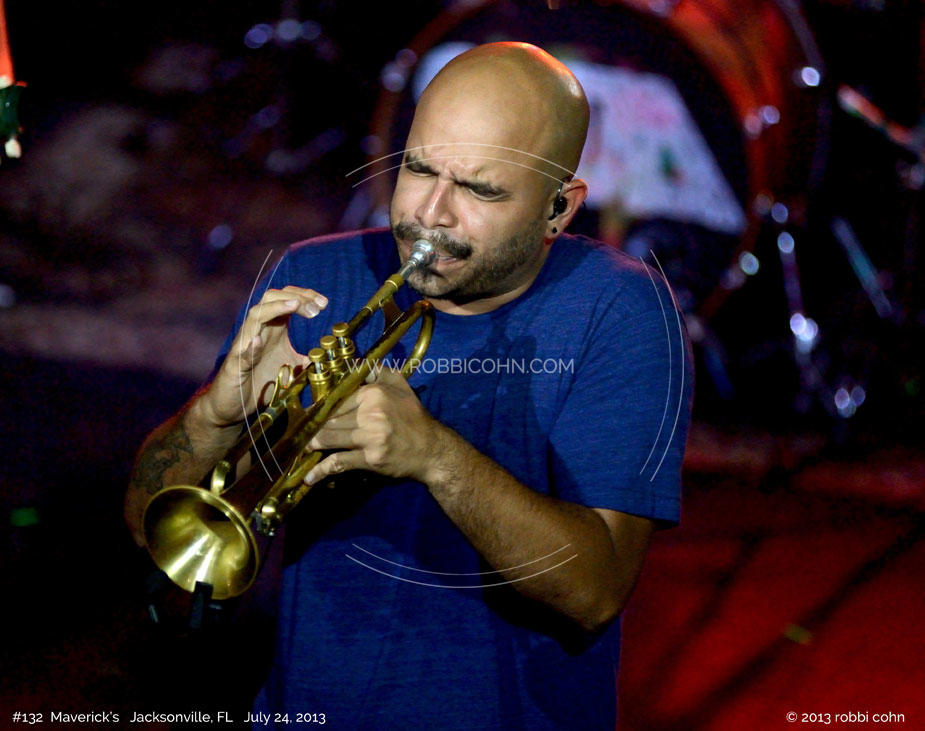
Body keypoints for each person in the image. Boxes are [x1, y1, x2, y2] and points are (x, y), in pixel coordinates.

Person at [125, 42, 692, 729]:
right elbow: (152, 524)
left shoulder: (620, 310)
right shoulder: (314, 275)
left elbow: (594, 592)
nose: (431, 214)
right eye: (418, 169)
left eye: (480, 190)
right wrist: (216, 416)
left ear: (557, 209)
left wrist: (434, 456)